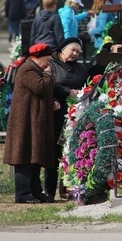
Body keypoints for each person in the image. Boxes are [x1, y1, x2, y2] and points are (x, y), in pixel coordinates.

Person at [3, 43, 57, 204]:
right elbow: (40, 87)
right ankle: (22, 194)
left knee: (35, 157)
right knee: (25, 157)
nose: (48, 64)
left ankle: (35, 191)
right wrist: (48, 75)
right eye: (46, 60)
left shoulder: (35, 69)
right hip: (25, 122)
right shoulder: (27, 69)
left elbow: (42, 93)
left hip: (34, 120)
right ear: (36, 58)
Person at [47, 37, 87, 202]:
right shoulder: (52, 65)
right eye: (72, 50)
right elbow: (49, 84)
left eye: (78, 51)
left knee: (71, 150)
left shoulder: (80, 68)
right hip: (56, 112)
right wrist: (67, 91)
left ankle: (68, 188)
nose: (75, 54)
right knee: (54, 152)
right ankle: (49, 190)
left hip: (75, 115)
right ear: (63, 50)